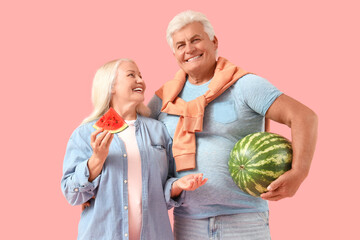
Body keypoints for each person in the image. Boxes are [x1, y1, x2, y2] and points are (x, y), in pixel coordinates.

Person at [148, 10, 318, 239]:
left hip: (244, 221)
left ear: (214, 41)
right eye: (180, 45)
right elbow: (132, 135)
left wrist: (299, 173)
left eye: (196, 39)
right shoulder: (164, 98)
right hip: (188, 222)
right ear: (175, 54)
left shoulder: (245, 85)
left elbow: (303, 117)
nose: (189, 49)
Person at [61, 58, 207, 240]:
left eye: (140, 75)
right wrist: (96, 161)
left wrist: (177, 186)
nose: (140, 80)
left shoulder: (158, 130)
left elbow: (163, 191)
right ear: (111, 86)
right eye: (132, 75)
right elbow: (71, 194)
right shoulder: (85, 134)